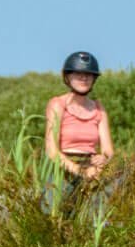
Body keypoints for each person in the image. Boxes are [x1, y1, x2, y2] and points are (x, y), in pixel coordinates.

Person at [42, 52, 114, 213]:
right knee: (52, 212)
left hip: (93, 169)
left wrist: (102, 162)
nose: (84, 78)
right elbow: (52, 151)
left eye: (89, 75)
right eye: (79, 74)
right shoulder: (57, 104)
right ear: (68, 77)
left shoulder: (98, 108)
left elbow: (108, 150)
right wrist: (80, 171)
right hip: (63, 169)